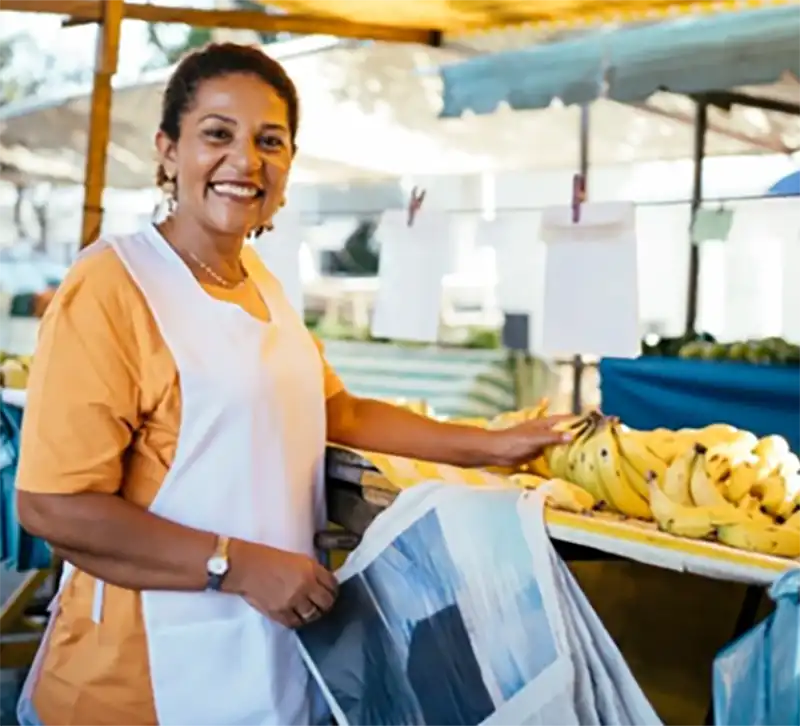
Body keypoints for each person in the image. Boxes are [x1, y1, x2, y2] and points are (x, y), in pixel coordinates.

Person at [14, 42, 570, 726]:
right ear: (167, 151)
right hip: (135, 683)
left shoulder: (261, 285)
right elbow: (52, 506)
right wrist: (237, 565)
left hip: (268, 667)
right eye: (217, 134)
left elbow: (336, 409)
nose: (245, 161)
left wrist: (492, 445)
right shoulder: (111, 285)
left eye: (269, 141)